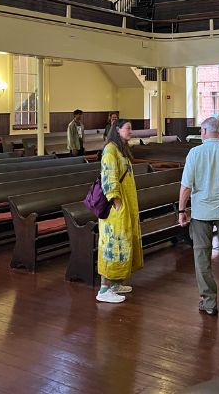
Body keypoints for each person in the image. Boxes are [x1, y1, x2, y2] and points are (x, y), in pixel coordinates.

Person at [178, 116, 219, 316]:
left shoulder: (194, 153)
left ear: (205, 131)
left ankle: (209, 302)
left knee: (201, 256)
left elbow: (186, 186)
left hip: (201, 212)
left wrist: (182, 211)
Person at [97, 119, 143, 303]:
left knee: (122, 245)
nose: (131, 132)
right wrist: (117, 203)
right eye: (128, 128)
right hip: (116, 209)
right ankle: (104, 289)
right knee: (112, 245)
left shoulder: (120, 150)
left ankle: (116, 284)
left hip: (125, 205)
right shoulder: (110, 150)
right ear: (117, 130)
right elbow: (109, 178)